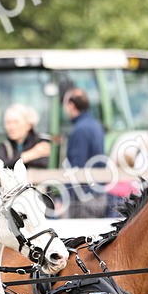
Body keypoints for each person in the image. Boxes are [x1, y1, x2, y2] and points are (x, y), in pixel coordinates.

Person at [62, 89, 107, 217]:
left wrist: (66, 198)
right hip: (97, 193)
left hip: (83, 198)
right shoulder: (96, 125)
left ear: (71, 105)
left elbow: (77, 167)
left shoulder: (79, 130)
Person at [0, 104, 50, 169]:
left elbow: (43, 163)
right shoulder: (4, 145)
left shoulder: (41, 141)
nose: (11, 127)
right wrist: (27, 156)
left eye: (16, 122)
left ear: (28, 125)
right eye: (8, 122)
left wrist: (13, 161)